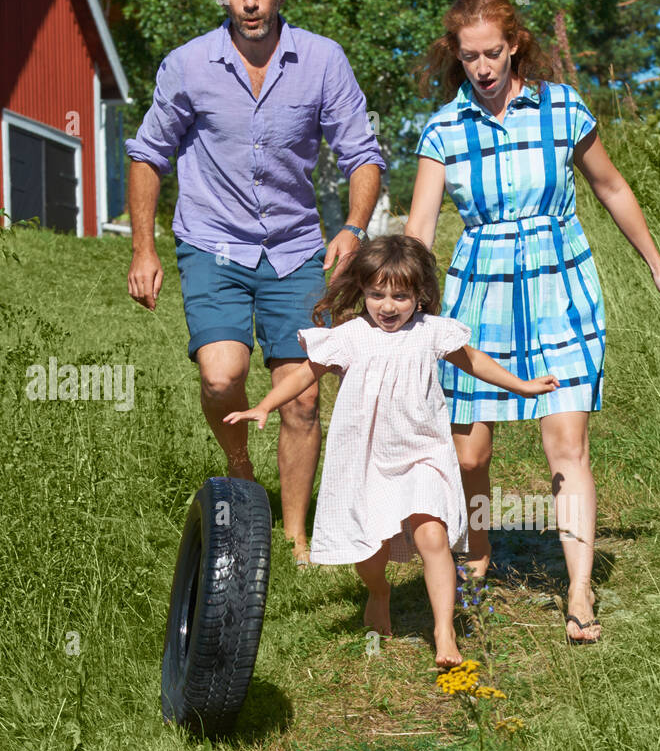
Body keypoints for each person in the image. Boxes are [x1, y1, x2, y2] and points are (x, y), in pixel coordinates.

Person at [405, 0, 660, 643]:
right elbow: (420, 229)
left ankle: (579, 591)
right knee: (469, 450)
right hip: (478, 296)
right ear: (457, 55)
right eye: (469, 55)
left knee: (566, 442)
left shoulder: (562, 108)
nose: (481, 67)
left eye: (493, 53)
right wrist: (402, 307)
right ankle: (476, 559)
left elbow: (611, 187)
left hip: (560, 286)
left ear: (515, 47)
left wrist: (659, 270)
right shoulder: (443, 129)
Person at [125, 0, 385, 566]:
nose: (248, 0)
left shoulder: (323, 60)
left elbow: (362, 154)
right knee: (222, 377)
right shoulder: (187, 64)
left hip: (296, 246)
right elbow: (147, 154)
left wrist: (353, 227)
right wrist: (143, 250)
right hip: (211, 242)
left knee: (300, 394)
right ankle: (243, 472)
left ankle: (295, 536)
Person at [222, 235, 558, 669]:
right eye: (377, 293)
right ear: (361, 291)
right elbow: (307, 373)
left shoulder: (431, 332)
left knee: (432, 535)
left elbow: (473, 362)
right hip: (367, 459)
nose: (387, 305)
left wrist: (523, 385)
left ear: (419, 297)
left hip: (424, 453)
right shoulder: (350, 336)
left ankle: (444, 632)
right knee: (370, 554)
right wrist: (265, 405)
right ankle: (379, 591)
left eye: (400, 296)